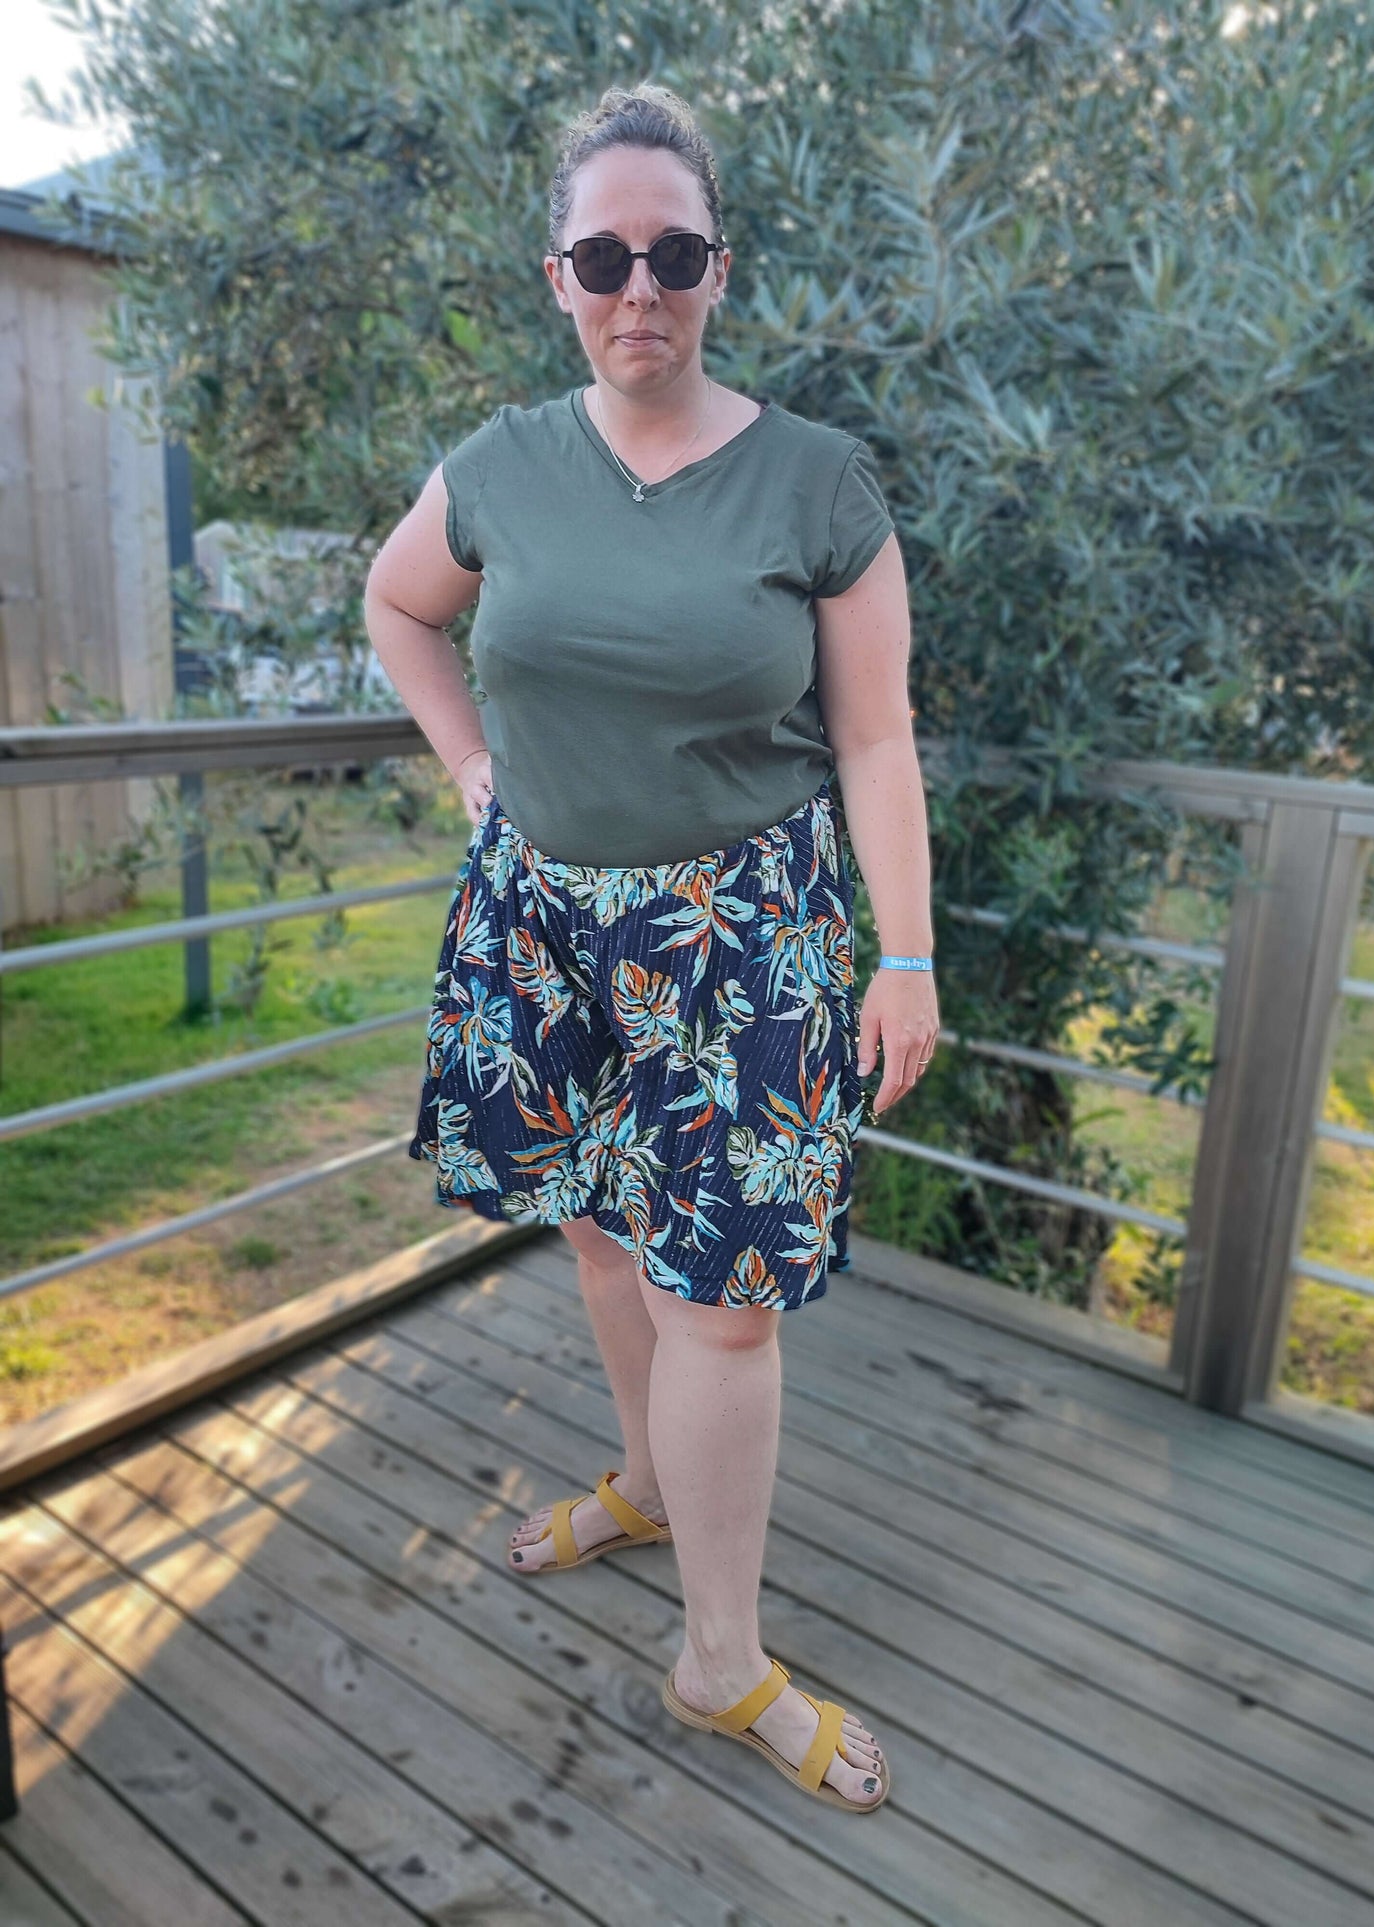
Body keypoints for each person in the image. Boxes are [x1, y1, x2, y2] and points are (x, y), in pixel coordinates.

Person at [365, 82, 937, 1817]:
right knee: (609, 1249)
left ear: (715, 268)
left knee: (729, 1313)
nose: (639, 286)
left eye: (670, 252)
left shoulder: (815, 479)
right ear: (560, 275)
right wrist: (471, 766)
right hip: (541, 919)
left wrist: (899, 957)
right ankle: (633, 1476)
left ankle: (717, 1655)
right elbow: (398, 605)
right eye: (603, 255)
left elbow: (874, 740)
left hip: (742, 941)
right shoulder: (501, 464)